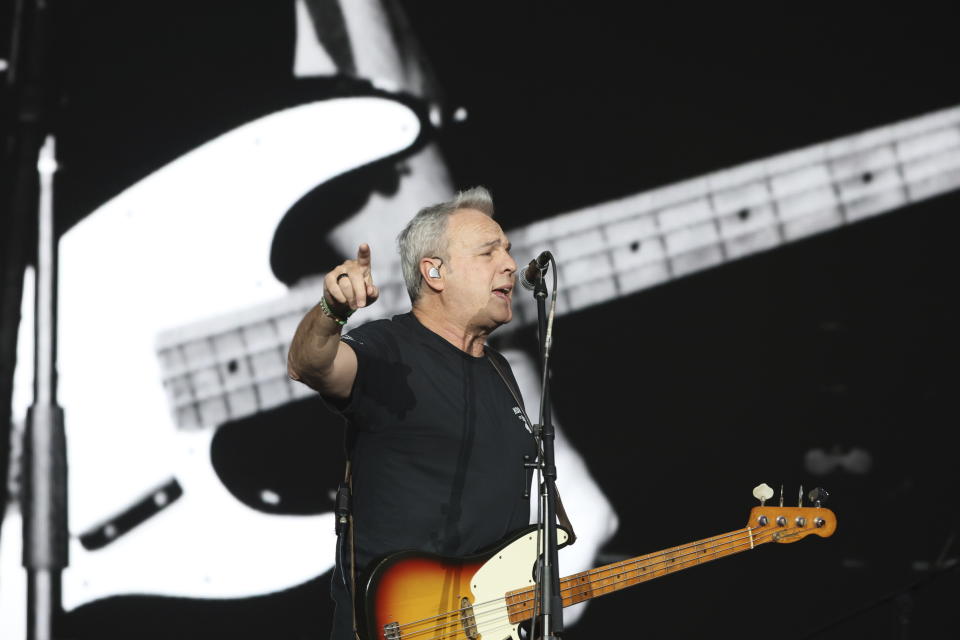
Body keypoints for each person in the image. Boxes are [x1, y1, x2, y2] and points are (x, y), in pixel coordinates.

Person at [287, 186, 539, 639]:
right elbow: (309, 363)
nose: (510, 265)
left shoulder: (501, 372)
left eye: (508, 250)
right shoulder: (389, 350)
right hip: (401, 623)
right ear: (434, 272)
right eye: (489, 252)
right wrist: (331, 310)